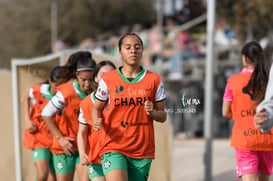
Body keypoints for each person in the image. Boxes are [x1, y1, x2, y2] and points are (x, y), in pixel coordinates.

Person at [92, 33, 167, 181]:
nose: (133, 51)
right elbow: (96, 107)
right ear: (120, 52)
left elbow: (162, 116)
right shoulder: (108, 79)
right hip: (113, 145)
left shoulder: (154, 80)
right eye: (128, 47)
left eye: (137, 47)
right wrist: (96, 120)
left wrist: (152, 112)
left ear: (142, 51)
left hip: (142, 150)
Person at [41, 51, 96, 181]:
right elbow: (46, 114)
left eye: (90, 80)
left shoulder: (98, 92)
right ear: (77, 76)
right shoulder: (65, 93)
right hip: (66, 148)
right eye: (84, 80)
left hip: (85, 146)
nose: (87, 84)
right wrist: (60, 138)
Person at [222, 41, 273, 181]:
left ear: (244, 58)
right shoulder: (269, 80)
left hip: (244, 139)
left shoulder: (233, 82)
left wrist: (241, 116)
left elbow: (225, 112)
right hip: (267, 138)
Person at [22, 66, 67, 181]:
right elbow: (25, 96)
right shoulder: (40, 90)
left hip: (54, 140)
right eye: (57, 85)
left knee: (53, 178)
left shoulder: (64, 95)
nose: (59, 89)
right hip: (38, 137)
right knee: (42, 174)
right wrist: (27, 120)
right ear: (51, 81)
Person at [77, 60, 116, 181]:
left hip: (118, 155)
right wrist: (82, 154)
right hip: (95, 158)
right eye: (103, 74)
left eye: (111, 74)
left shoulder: (122, 100)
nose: (107, 77)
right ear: (96, 78)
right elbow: (81, 132)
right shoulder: (86, 103)